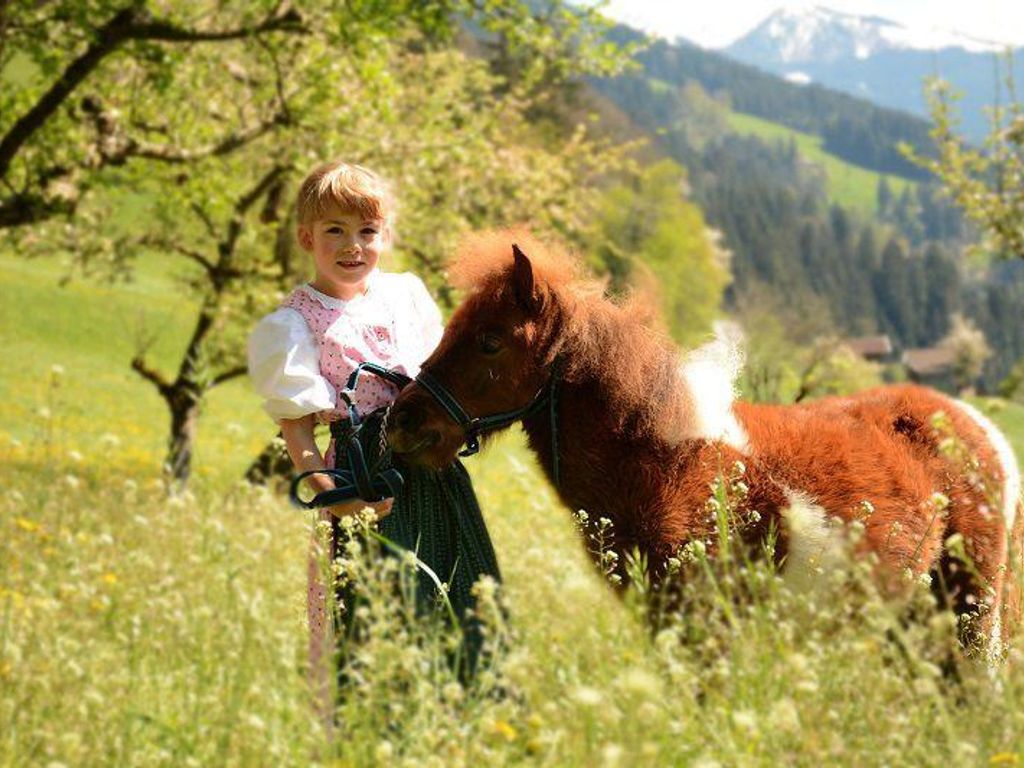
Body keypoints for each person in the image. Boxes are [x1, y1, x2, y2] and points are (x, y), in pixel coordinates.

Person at [246, 161, 501, 718]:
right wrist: (335, 498)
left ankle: (462, 724)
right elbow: (297, 431)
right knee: (371, 616)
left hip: (433, 474)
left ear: (385, 235)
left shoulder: (405, 296)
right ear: (306, 238)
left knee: (458, 601)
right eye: (335, 230)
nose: (353, 246)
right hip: (361, 481)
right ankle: (369, 730)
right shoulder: (294, 325)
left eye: (367, 231)